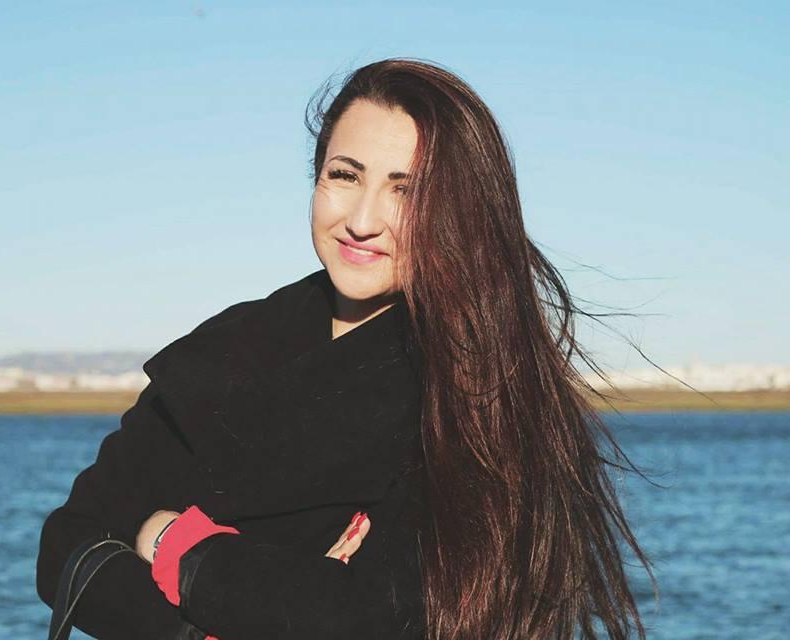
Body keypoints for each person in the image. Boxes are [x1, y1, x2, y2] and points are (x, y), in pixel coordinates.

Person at [36, 57, 655, 640]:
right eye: (345, 176)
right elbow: (66, 548)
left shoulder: (482, 393)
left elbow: (376, 614)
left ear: (460, 211)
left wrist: (174, 544)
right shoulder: (223, 350)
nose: (362, 220)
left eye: (405, 191)